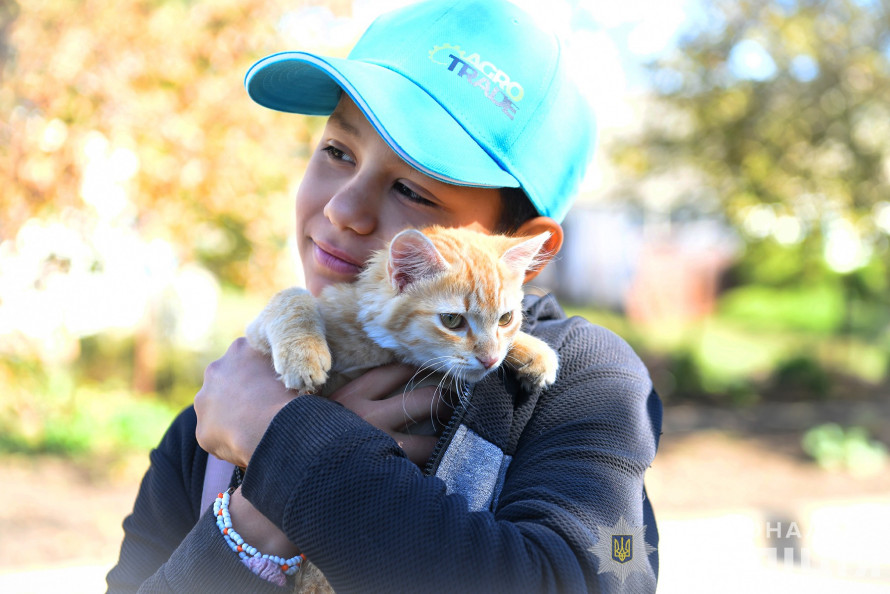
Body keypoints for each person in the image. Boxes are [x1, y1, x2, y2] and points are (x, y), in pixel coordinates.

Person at [107, 0, 662, 592]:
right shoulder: (218, 410)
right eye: (337, 152)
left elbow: (609, 572)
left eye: (412, 190)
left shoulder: (584, 383)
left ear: (521, 250)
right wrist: (254, 522)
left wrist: (286, 447)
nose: (341, 208)